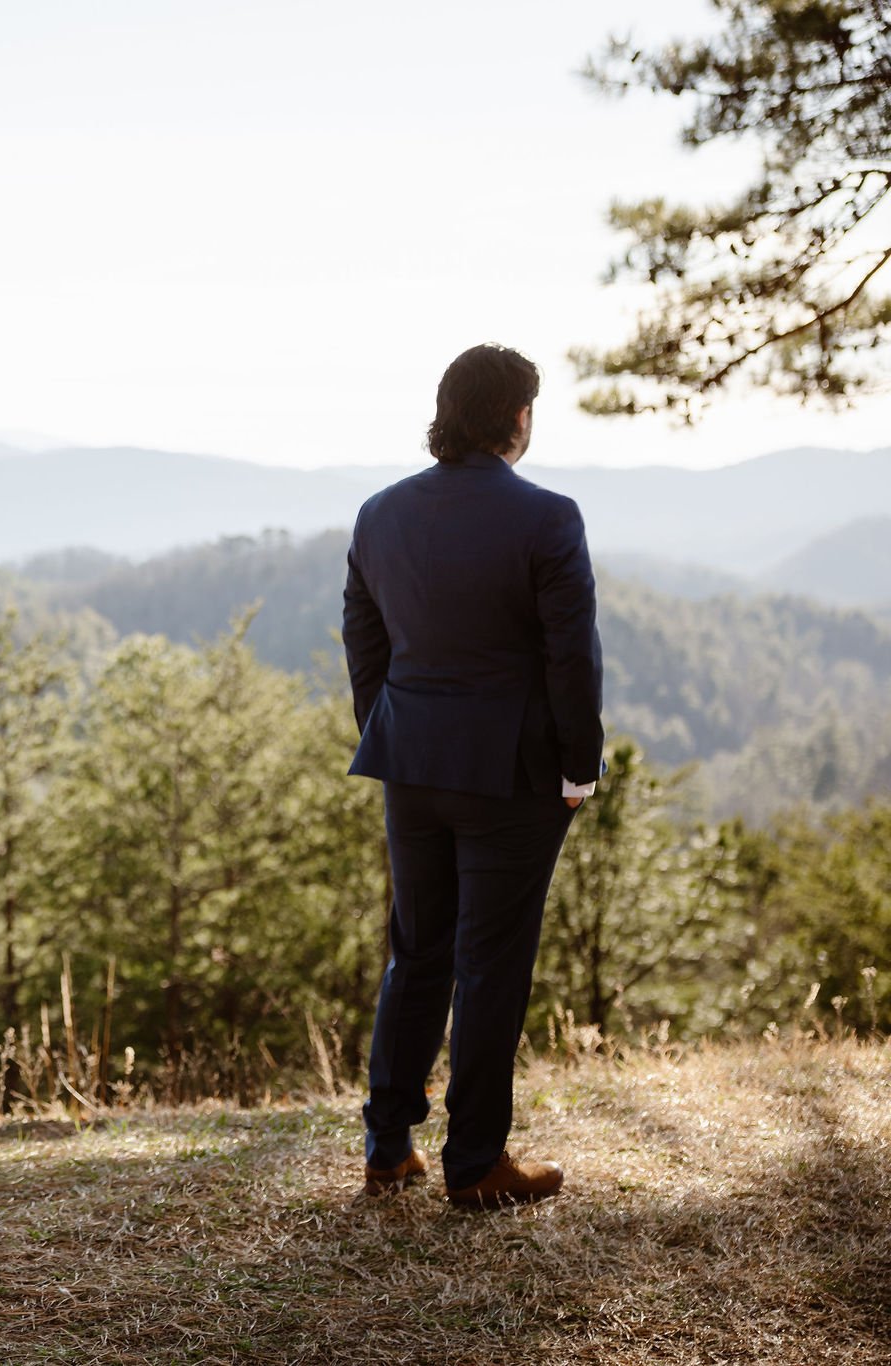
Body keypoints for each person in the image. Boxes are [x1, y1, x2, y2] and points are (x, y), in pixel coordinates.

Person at [343, 343, 605, 1210]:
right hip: (512, 778)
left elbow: (365, 643)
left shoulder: (379, 514)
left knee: (415, 951)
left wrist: (396, 733)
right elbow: (573, 658)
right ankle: (476, 1163)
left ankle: (387, 1146)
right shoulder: (548, 517)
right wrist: (580, 767)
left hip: (410, 766)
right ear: (519, 417)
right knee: (491, 963)